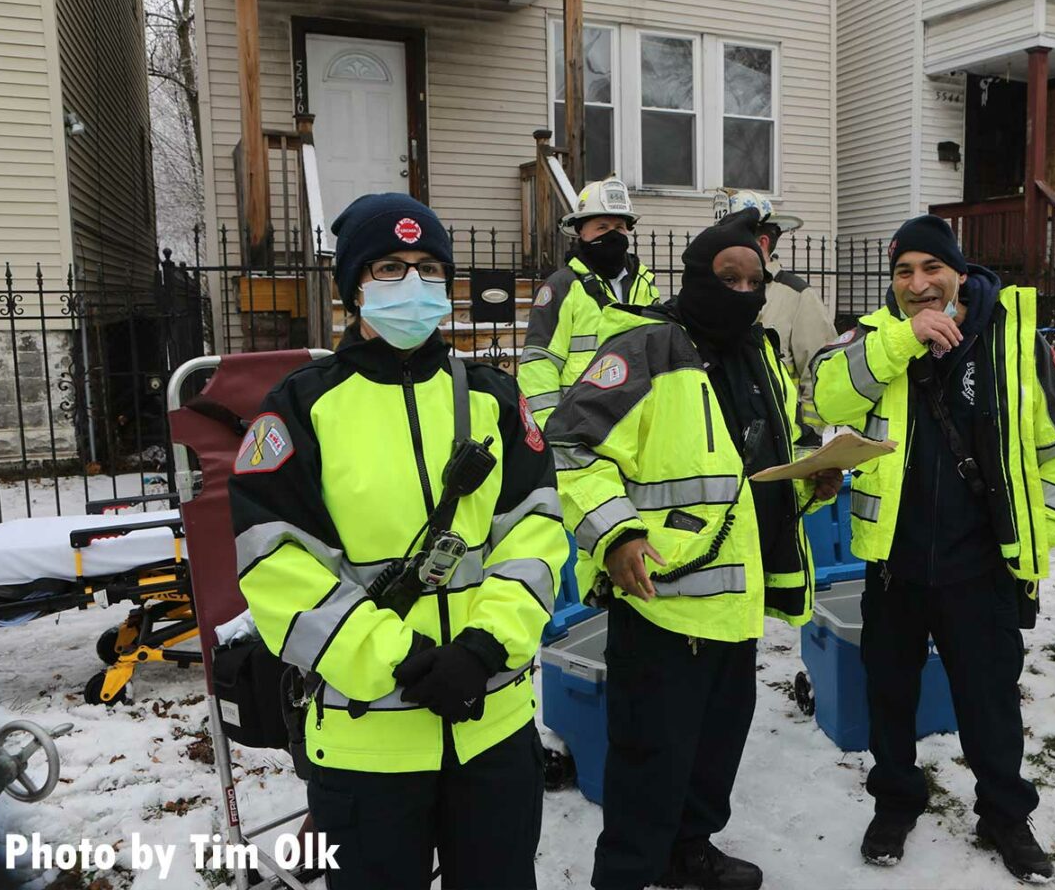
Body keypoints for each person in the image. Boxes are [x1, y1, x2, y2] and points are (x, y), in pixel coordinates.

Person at [229, 193, 567, 890]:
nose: (411, 285)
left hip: (493, 726)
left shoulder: (494, 399)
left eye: (427, 268)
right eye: (388, 267)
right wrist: (400, 661)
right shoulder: (301, 408)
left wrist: (482, 650)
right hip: (367, 744)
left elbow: (535, 536)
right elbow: (277, 567)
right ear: (353, 287)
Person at [547, 207, 839, 890]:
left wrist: (810, 476)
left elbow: (747, 471)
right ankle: (626, 873)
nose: (741, 291)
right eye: (726, 276)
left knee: (714, 748)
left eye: (753, 280)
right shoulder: (647, 345)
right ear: (694, 275)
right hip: (662, 599)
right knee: (650, 755)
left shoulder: (759, 351)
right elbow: (571, 445)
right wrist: (615, 532)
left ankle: (689, 851)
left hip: (734, 604)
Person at [807, 214, 1055, 881]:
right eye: (904, 271)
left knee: (989, 698)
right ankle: (896, 801)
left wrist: (1033, 533)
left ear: (959, 274)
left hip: (981, 566)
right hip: (892, 564)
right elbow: (822, 398)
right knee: (890, 693)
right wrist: (899, 343)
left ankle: (1004, 815)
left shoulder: (1013, 342)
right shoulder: (873, 338)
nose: (918, 283)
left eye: (932, 268)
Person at [520, 177, 660, 427]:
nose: (612, 235)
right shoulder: (562, 286)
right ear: (581, 231)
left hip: (639, 421)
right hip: (580, 425)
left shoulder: (644, 284)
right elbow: (539, 362)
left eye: (619, 227)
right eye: (602, 227)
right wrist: (548, 425)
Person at [712, 189, 838, 405]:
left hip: (782, 435)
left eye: (730, 238)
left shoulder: (797, 297)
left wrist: (805, 434)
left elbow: (824, 380)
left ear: (761, 243)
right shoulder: (712, 291)